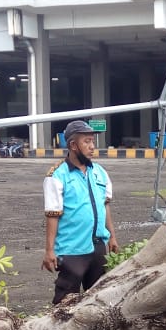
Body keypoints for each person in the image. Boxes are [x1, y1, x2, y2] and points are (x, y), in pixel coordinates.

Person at [42, 119, 120, 304]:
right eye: (87, 142)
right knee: (65, 302)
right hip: (72, 250)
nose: (92, 146)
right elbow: (53, 215)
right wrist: (49, 251)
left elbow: (105, 206)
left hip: (98, 247)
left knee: (99, 301)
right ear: (73, 145)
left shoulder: (100, 172)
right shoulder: (57, 175)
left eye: (92, 141)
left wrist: (112, 237)